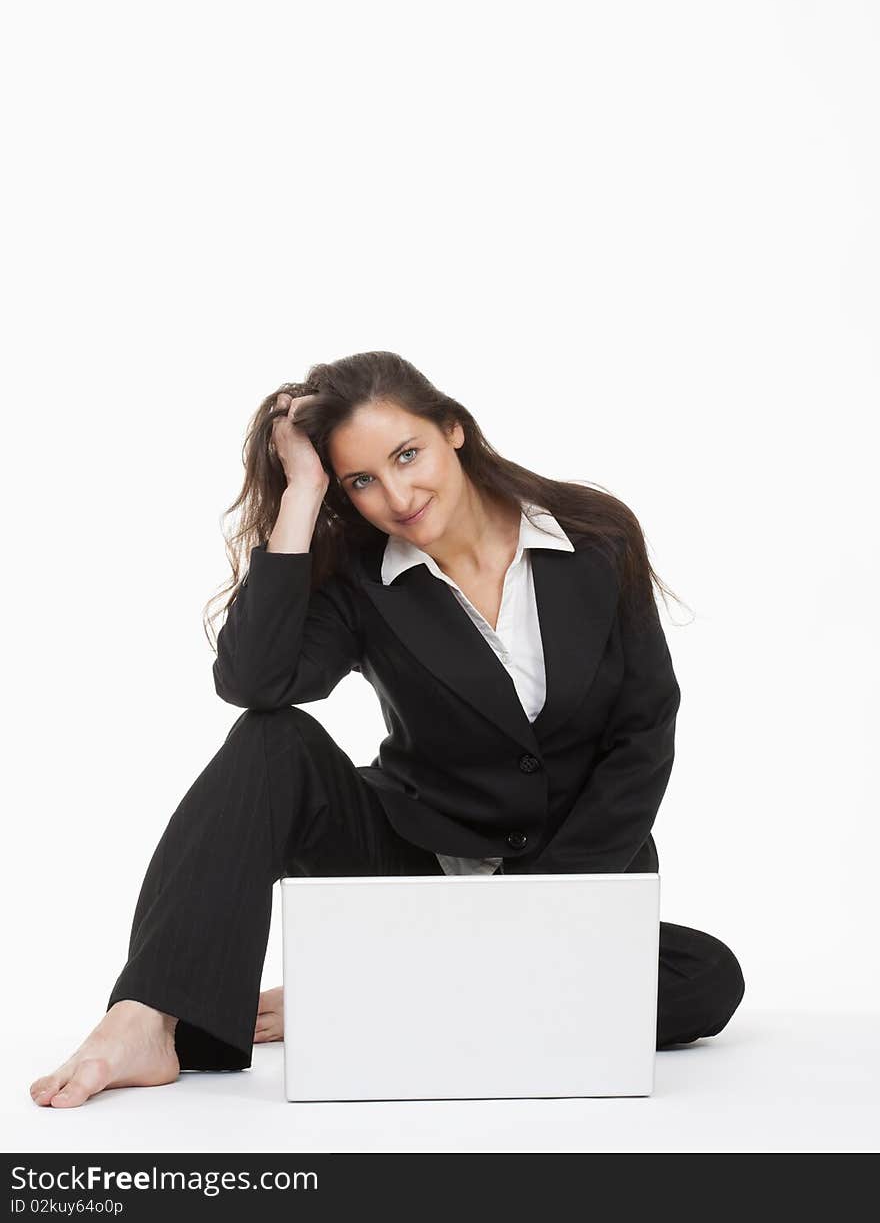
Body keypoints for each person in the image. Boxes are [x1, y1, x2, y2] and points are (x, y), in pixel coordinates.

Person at [30, 350, 745, 1108]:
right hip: (407, 863)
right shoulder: (360, 574)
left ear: (454, 430)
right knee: (272, 742)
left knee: (705, 981)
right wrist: (301, 495)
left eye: (409, 455)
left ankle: (373, 987)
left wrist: (545, 910)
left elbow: (643, 733)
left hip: (575, 867)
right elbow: (255, 684)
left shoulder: (597, 537)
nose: (398, 496)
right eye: (360, 481)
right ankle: (145, 1014)